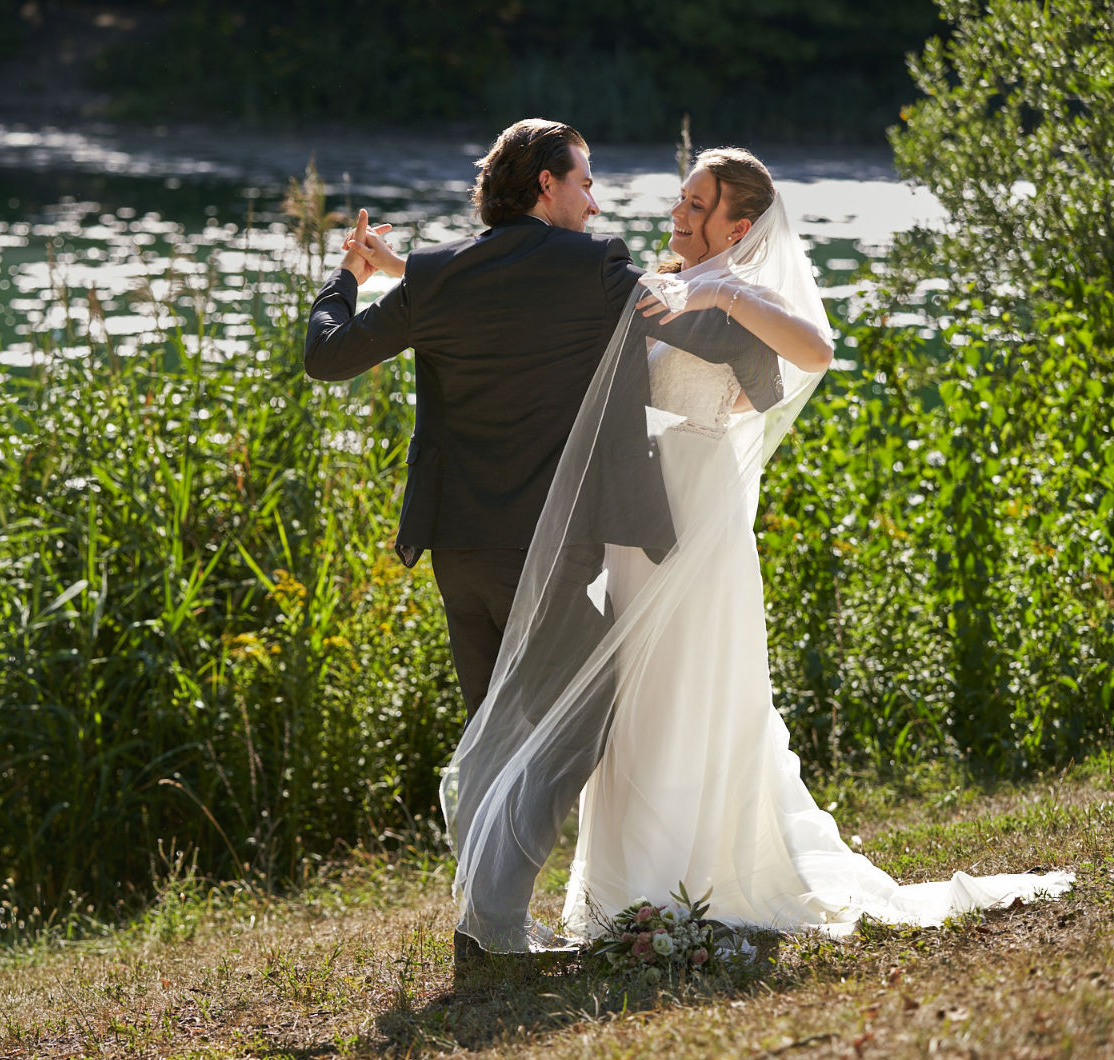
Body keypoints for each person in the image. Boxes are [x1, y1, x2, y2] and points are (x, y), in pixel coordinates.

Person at [345, 146, 1074, 956]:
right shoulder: (648, 283)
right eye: (682, 199)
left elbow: (813, 354)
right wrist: (409, 268)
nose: (677, 214)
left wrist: (727, 291)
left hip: (697, 519)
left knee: (690, 688)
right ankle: (624, 889)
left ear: (740, 224)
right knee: (634, 706)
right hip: (636, 520)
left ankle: (684, 879)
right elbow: (525, 297)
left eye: (696, 205)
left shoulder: (737, 297)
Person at [304, 119, 778, 774]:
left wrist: (347, 277)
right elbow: (696, 330)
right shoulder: (598, 270)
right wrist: (758, 367)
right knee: (596, 717)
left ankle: (487, 872)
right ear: (546, 183)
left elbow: (326, 356)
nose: (595, 202)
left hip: (456, 549)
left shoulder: (440, 274)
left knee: (492, 740)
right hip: (545, 554)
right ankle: (509, 872)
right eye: (585, 183)